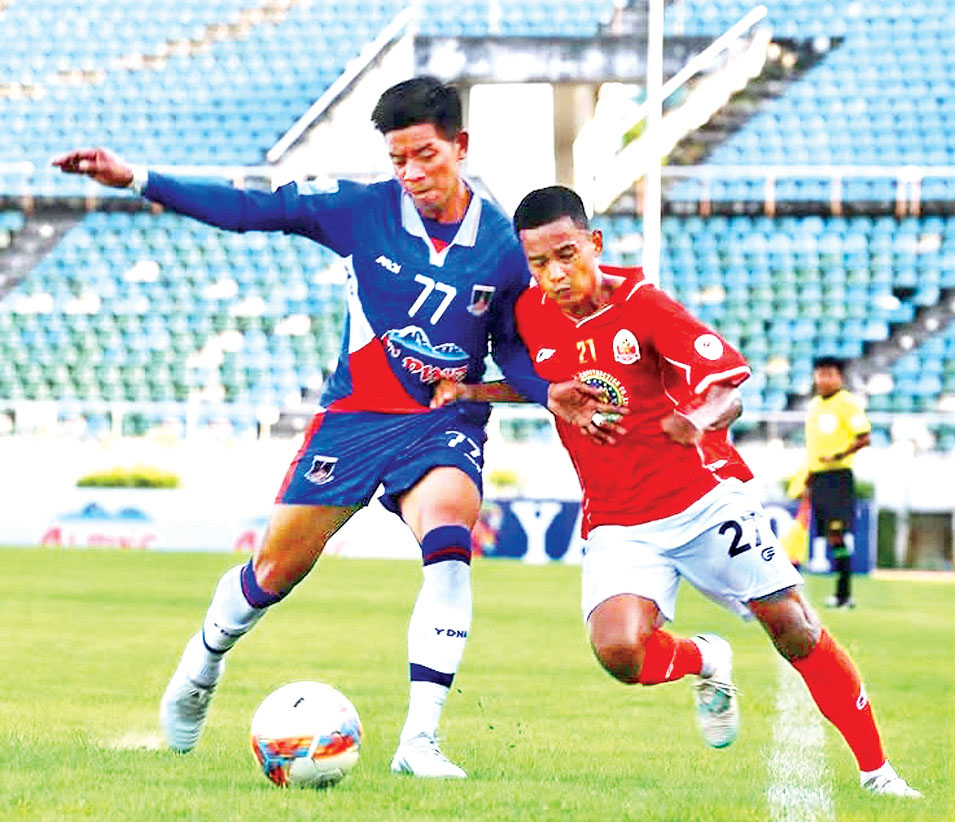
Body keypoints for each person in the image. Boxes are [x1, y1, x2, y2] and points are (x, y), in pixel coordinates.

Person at [52, 78, 623, 779]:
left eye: (425, 155)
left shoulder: (504, 246)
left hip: (440, 421)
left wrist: (546, 391)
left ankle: (419, 741)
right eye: (398, 159)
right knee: (272, 573)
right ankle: (202, 664)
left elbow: (507, 345)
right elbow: (252, 210)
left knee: (450, 540)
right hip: (353, 419)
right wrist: (139, 179)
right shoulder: (361, 211)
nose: (412, 173)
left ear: (460, 147)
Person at [434, 185, 920, 797]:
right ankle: (706, 658)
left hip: (702, 500)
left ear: (594, 243)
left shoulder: (643, 305)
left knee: (793, 626)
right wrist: (473, 391)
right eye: (539, 263)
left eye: (566, 255)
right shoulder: (532, 312)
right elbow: (543, 384)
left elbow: (727, 388)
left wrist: (698, 416)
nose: (555, 274)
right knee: (619, 651)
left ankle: (878, 773)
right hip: (618, 519)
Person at [795, 356, 871, 608]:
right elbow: (813, 446)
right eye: (820, 374)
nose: (823, 379)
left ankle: (844, 594)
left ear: (839, 377)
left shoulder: (847, 403)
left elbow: (864, 437)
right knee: (826, 535)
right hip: (817, 477)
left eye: (829, 374)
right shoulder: (815, 405)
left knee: (837, 533)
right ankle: (837, 594)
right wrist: (807, 478)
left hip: (838, 476)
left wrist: (838, 456)